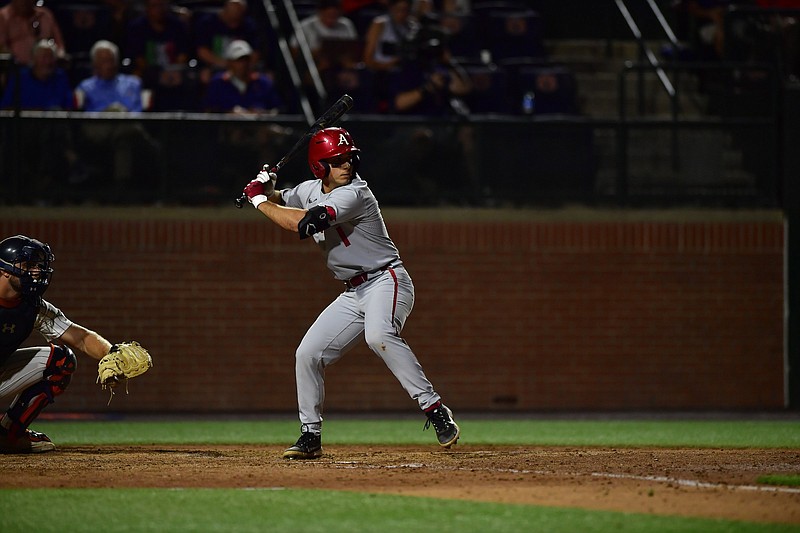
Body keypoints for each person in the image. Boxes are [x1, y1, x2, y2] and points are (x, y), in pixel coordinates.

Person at [241, 126, 460, 459]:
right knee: (307, 354)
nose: (346, 165)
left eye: (348, 159)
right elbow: (284, 199)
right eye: (337, 160)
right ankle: (310, 435)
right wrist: (266, 187)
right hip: (352, 292)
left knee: (379, 335)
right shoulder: (309, 189)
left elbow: (302, 224)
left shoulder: (355, 193)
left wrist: (257, 199)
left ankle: (435, 410)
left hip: (386, 280)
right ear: (320, 166)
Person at [0, 235, 150, 453]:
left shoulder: (32, 306)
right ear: (4, 269)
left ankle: (8, 436)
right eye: (29, 264)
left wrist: (113, 354)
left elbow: (80, 337)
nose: (36, 271)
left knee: (61, 362)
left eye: (37, 265)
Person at [74, 39, 162, 194]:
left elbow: (138, 112)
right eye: (103, 61)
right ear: (95, 64)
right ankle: (123, 185)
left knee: (124, 136)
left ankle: (120, 188)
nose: (108, 64)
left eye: (111, 60)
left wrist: (119, 115)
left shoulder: (133, 83)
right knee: (118, 115)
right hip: (98, 128)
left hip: (129, 126)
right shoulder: (85, 86)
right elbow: (85, 115)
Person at [0, 39, 80, 204]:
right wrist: (36, 112)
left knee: (54, 120)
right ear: (33, 60)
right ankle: (72, 161)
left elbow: (69, 108)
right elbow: (5, 109)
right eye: (43, 57)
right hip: (24, 130)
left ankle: (45, 187)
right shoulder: (19, 78)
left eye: (51, 57)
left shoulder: (60, 77)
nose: (48, 62)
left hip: (54, 131)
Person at [124, 0, 194, 111]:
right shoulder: (136, 28)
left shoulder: (178, 26)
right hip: (148, 72)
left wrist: (172, 72)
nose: (159, 10)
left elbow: (183, 56)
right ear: (146, 8)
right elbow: (139, 59)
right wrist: (158, 74)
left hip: (174, 71)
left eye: (162, 5)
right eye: (154, 6)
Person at [194, 0, 263, 86]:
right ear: (226, 7)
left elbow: (255, 52)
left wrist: (242, 68)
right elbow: (202, 51)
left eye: (240, 9)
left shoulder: (249, 26)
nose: (237, 11)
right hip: (215, 67)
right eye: (234, 7)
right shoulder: (208, 23)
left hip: (242, 69)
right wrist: (228, 66)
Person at [0, 0, 66, 66]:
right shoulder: (3, 17)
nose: (24, 2)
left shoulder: (45, 15)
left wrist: (60, 55)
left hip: (46, 69)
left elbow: (59, 45)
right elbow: (2, 47)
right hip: (16, 69)